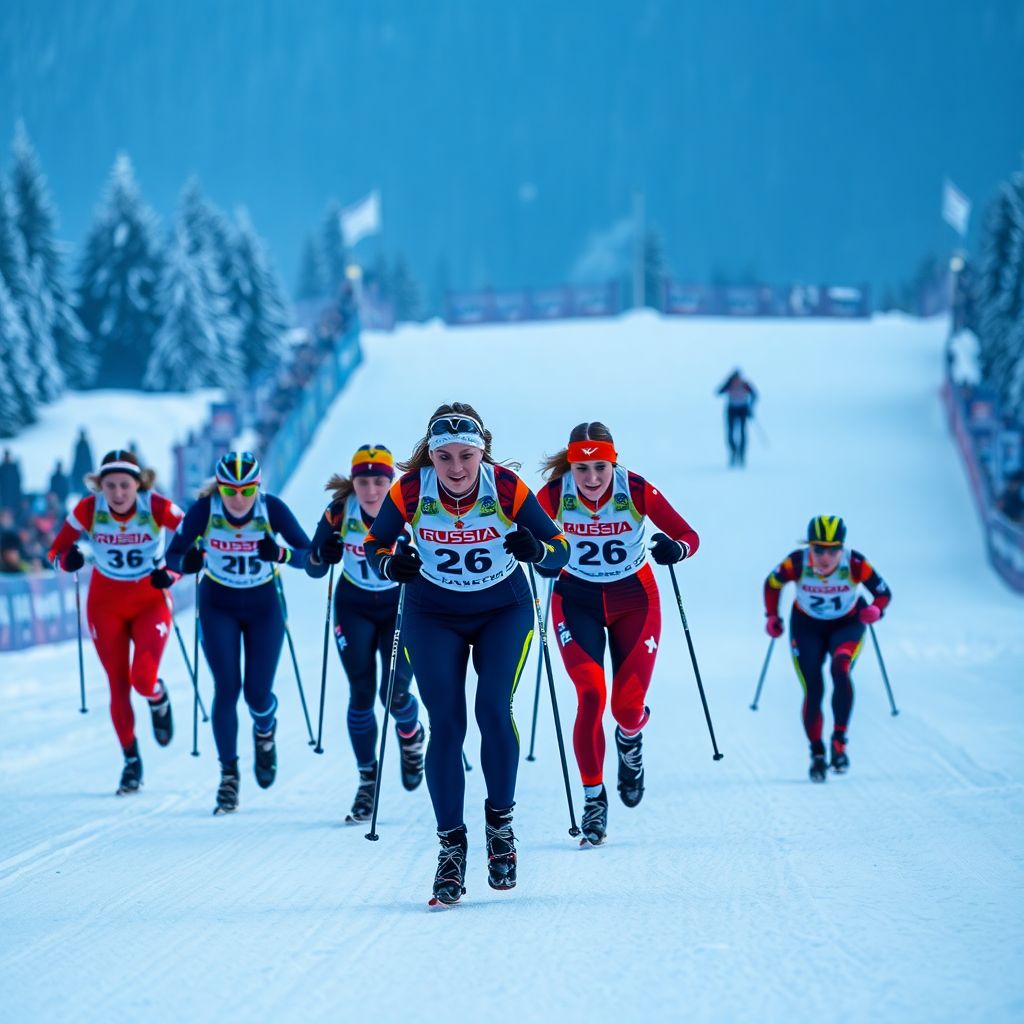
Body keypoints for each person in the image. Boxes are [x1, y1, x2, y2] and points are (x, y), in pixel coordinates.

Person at [363, 403, 569, 906]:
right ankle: (451, 849)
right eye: (445, 457)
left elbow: (559, 548)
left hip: (503, 608)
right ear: (430, 456)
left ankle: (501, 829)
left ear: (482, 452)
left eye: (467, 456)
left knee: (493, 710)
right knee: (448, 724)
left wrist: (536, 551)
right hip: (432, 612)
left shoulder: (504, 487)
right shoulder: (411, 489)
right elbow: (374, 544)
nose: (456, 468)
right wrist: (394, 564)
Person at [536, 422, 700, 847]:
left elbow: (688, 534)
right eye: (582, 468)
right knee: (591, 695)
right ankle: (594, 798)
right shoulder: (555, 494)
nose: (591, 479)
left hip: (635, 600)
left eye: (601, 468)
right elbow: (523, 534)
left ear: (614, 462)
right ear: (571, 465)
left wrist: (674, 549)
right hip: (576, 600)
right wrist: (541, 555)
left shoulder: (636, 489)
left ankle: (630, 741)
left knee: (626, 709)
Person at [165, 451, 311, 814]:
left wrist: (280, 554)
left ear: (258, 486)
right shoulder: (204, 510)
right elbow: (173, 556)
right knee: (227, 688)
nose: (239, 498)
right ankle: (229, 776)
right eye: (231, 490)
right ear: (220, 487)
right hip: (218, 606)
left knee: (257, 694)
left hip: (264, 606)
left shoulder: (270, 508)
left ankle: (264, 733)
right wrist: (189, 561)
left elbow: (309, 555)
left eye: (247, 490)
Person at [47, 450, 184, 794]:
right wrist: (68, 560)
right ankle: (131, 762)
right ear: (100, 486)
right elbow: (54, 552)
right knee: (117, 684)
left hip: (149, 601)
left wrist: (172, 571)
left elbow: (193, 538)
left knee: (142, 678)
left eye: (125, 485)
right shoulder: (89, 510)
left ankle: (158, 696)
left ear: (139, 484)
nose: (118, 493)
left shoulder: (156, 507)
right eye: (110, 486)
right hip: (105, 604)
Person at [305, 444, 426, 822]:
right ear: (353, 482)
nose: (371, 490)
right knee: (360, 691)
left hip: (398, 605)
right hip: (354, 604)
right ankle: (367, 783)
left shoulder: (409, 507)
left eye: (379, 481)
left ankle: (411, 737)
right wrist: (323, 553)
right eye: (363, 481)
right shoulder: (341, 511)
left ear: (390, 481)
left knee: (394, 692)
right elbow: (311, 565)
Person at [763, 516, 892, 782]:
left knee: (840, 668)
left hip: (847, 624)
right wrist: (772, 616)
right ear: (810, 546)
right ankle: (817, 753)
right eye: (818, 549)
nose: (825, 556)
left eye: (832, 549)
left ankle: (839, 742)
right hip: (806, 627)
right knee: (814, 688)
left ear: (841, 548)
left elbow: (883, 593)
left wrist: (875, 610)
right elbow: (772, 584)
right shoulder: (797, 562)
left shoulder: (854, 562)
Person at [716, 369, 758, 467]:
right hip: (732, 410)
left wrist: (750, 407)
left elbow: (755, 395)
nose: (737, 380)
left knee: (742, 432)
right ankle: (733, 452)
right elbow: (718, 392)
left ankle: (741, 455)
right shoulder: (729, 384)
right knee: (730, 433)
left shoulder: (745, 384)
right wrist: (727, 383)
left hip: (742, 410)